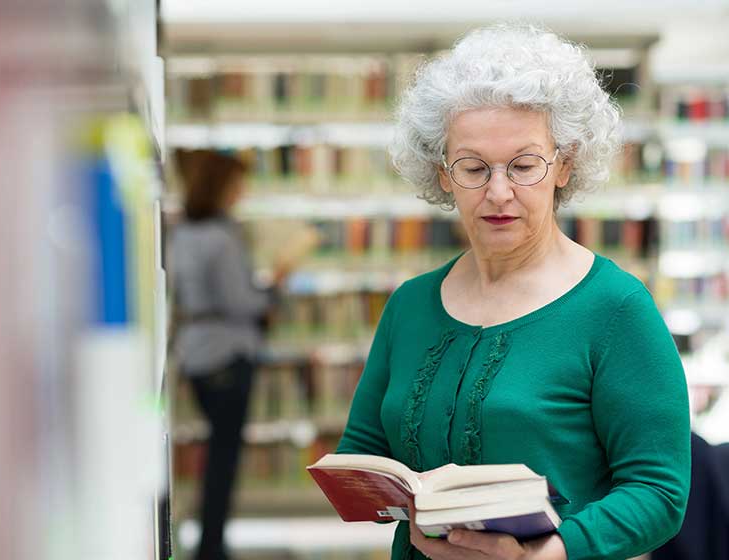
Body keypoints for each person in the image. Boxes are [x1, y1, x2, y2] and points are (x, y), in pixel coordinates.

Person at [336, 23, 691, 560]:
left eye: (524, 166)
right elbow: (362, 452)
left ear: (564, 165)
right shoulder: (409, 304)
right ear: (443, 174)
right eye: (473, 168)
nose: (498, 192)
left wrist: (549, 552)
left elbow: (660, 493)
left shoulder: (616, 309)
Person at [171, 150, 289, 560]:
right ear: (221, 187)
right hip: (228, 352)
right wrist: (274, 285)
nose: (242, 192)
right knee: (224, 458)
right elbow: (241, 302)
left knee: (215, 455)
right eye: (237, 184)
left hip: (197, 352)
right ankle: (212, 547)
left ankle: (209, 541)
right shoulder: (222, 237)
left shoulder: (182, 233)